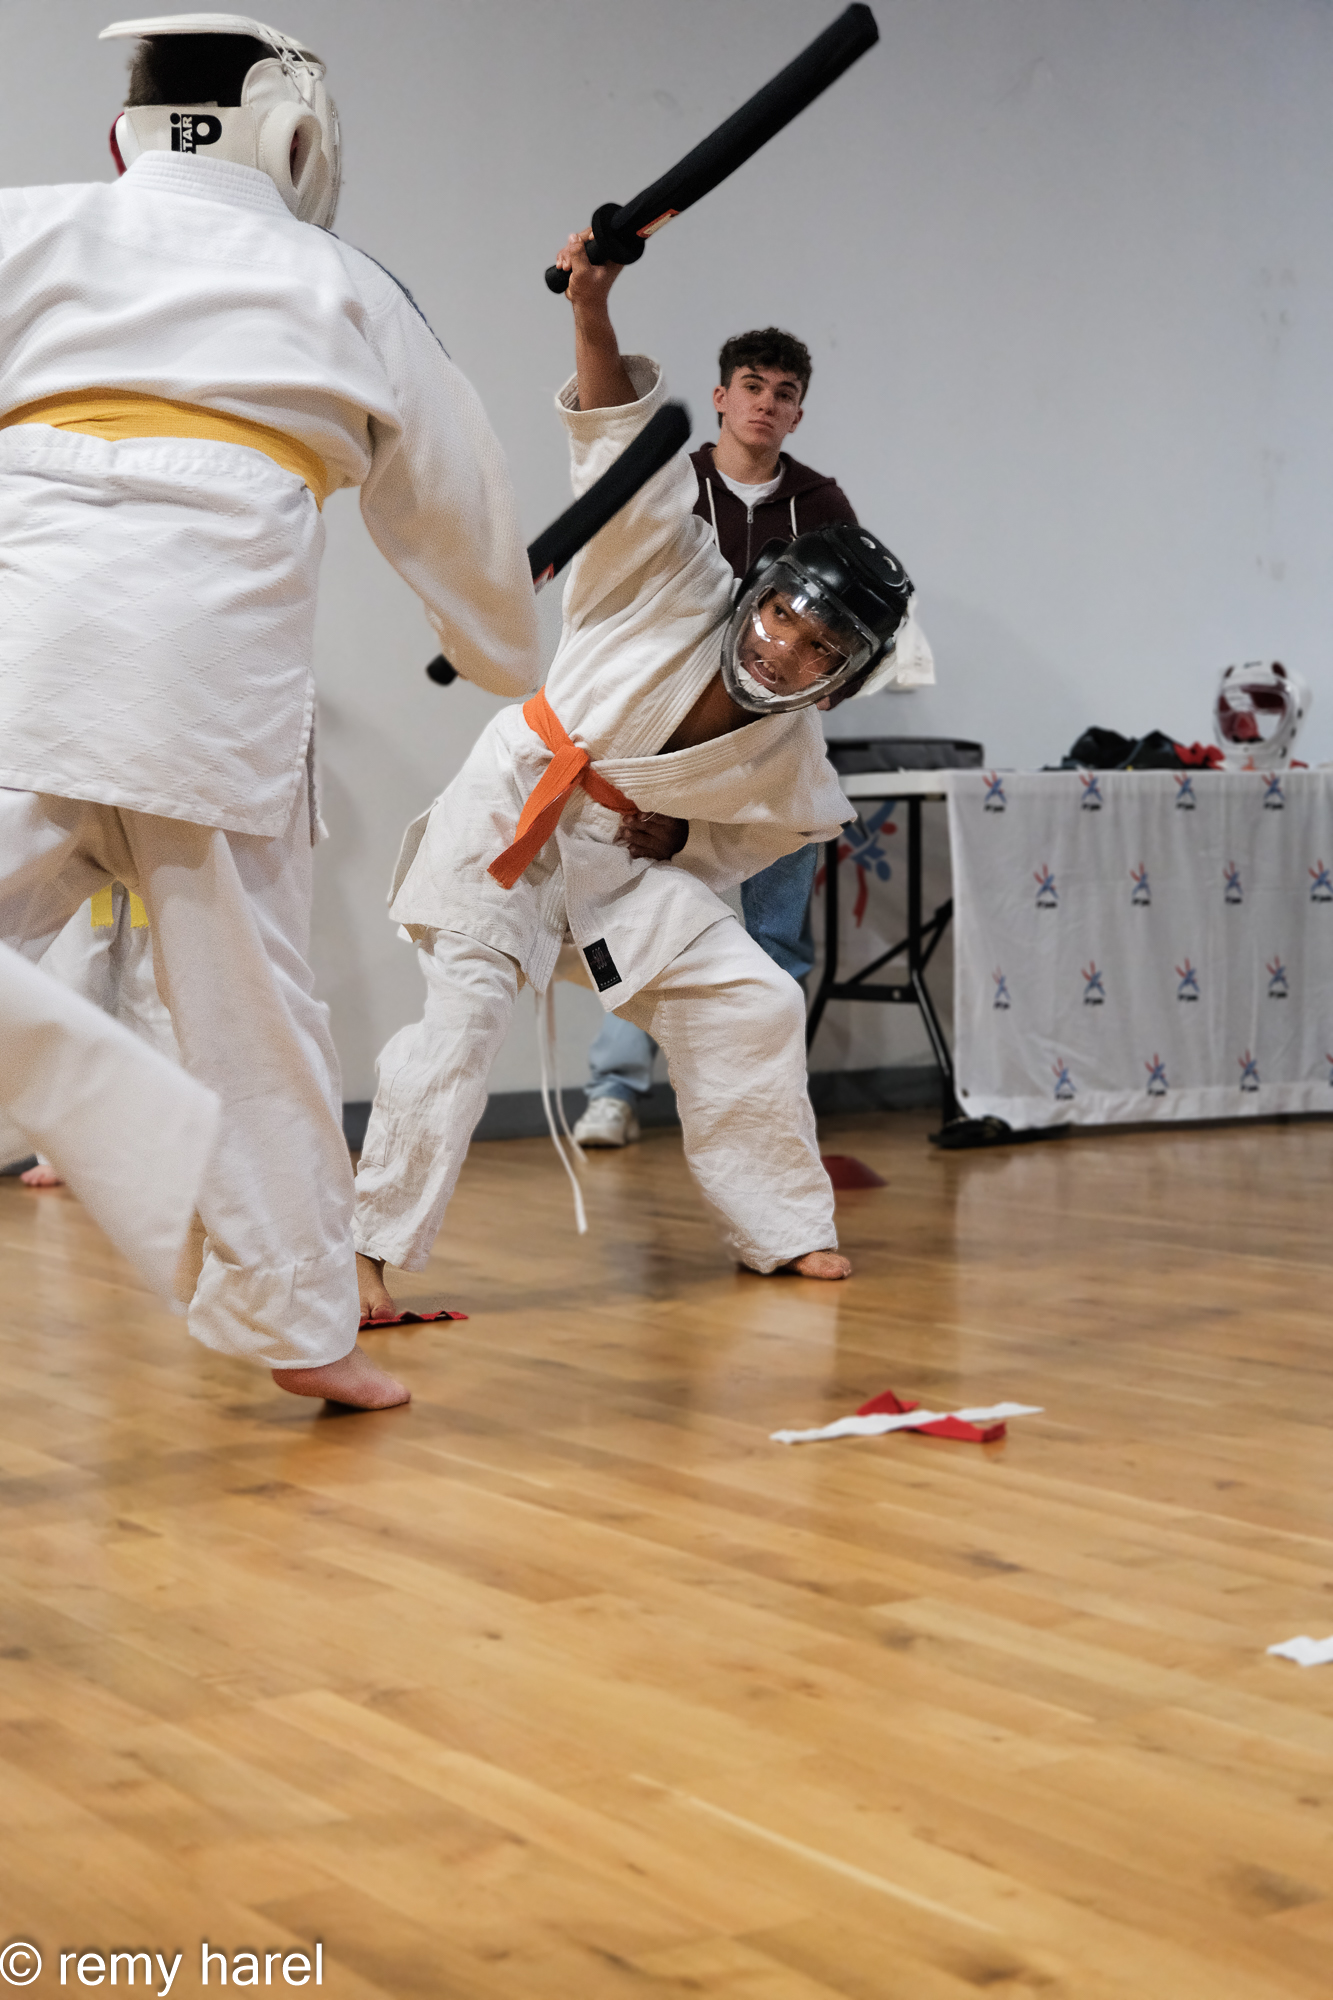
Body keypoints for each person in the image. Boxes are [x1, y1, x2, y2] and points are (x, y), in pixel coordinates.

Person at [0, 16, 540, 1409]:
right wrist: (497, 649)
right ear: (291, 129)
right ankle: (303, 1329)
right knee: (253, 1028)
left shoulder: (25, 227)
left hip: (24, 664)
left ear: (128, 124)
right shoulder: (344, 282)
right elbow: (462, 517)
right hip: (211, 698)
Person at [353, 228, 924, 1319]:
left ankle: (781, 1227)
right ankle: (364, 1252)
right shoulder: (666, 573)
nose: (782, 651)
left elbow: (751, 836)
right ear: (758, 590)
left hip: (617, 865)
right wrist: (592, 308)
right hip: (511, 816)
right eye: (782, 618)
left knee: (753, 998)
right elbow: (622, 446)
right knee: (462, 1026)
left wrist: (687, 837)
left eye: (819, 650)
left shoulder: (791, 751)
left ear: (841, 681)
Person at [572, 326, 931, 1146]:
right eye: (752, 386)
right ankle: (614, 1091)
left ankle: (761, 1102)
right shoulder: (677, 484)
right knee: (635, 910)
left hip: (772, 749)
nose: (766, 404)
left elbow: (868, 633)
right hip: (666, 736)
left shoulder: (822, 503)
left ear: (797, 414)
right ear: (722, 396)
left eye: (784, 394)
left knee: (776, 927)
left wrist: (836, 682)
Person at [16, 885, 178, 1188]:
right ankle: (62, 1151)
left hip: (153, 872)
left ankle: (154, 1148)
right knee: (69, 989)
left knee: (152, 998)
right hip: (78, 874)